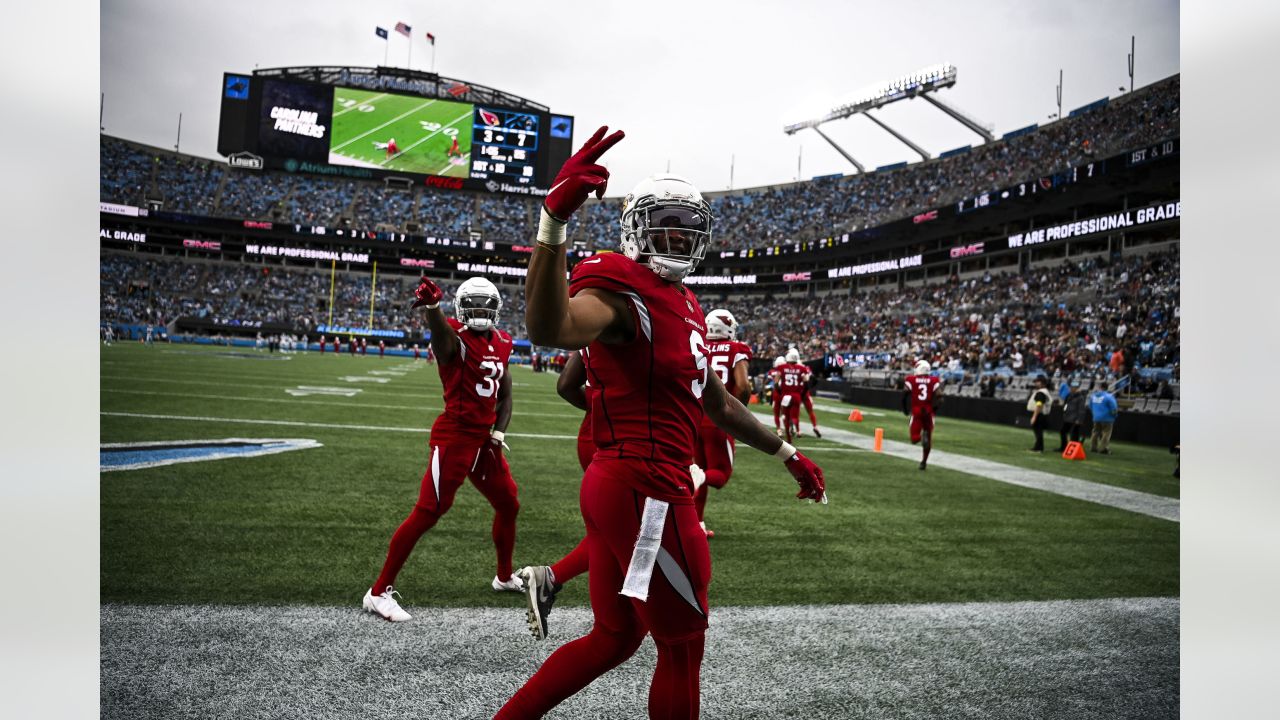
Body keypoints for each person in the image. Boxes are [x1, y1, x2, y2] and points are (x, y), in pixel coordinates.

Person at [494, 126, 826, 720]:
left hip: (619, 482)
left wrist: (789, 456)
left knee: (615, 638)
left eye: (686, 229)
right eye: (664, 225)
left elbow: (719, 404)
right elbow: (552, 330)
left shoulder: (687, 301)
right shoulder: (620, 285)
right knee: (682, 647)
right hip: (647, 489)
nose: (676, 237)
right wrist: (552, 223)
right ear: (635, 231)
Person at [362, 276, 525, 623]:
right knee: (429, 511)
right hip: (454, 436)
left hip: (483, 440)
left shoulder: (505, 341)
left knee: (508, 503)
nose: (480, 310)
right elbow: (443, 342)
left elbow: (506, 393)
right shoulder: (454, 338)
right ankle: (378, 592)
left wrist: (498, 433)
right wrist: (433, 309)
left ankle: (504, 576)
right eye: (474, 305)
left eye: (486, 304)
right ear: (461, 309)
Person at [516, 350, 596, 641]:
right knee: (628, 528)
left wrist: (599, 406)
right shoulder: (638, 317)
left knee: (615, 528)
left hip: (594, 432)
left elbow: (565, 385)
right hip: (625, 437)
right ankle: (551, 577)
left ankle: (615, 609)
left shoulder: (599, 315)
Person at [693, 308, 753, 537]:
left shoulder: (699, 345)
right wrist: (737, 414)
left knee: (699, 471)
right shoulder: (736, 349)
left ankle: (697, 524)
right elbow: (743, 385)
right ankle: (696, 514)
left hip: (696, 418)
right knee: (718, 475)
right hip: (719, 419)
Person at [902, 360, 942, 470]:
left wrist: (905, 408)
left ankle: (920, 438)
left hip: (916, 411)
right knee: (928, 438)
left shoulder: (911, 379)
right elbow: (940, 397)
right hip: (928, 412)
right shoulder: (934, 380)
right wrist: (934, 409)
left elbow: (905, 394)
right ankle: (924, 462)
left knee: (914, 439)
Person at [775, 348, 811, 442]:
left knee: (785, 416)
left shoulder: (781, 367)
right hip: (796, 395)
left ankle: (788, 438)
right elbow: (806, 383)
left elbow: (776, 382)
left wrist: (780, 391)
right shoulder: (802, 368)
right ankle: (797, 430)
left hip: (785, 395)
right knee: (794, 416)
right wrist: (802, 393)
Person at [1058, 379, 1088, 452]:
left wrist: (1079, 420)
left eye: (1073, 387)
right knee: (1063, 432)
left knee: (1074, 435)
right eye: (1071, 387)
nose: (1071, 388)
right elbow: (1066, 405)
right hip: (1068, 417)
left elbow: (1081, 410)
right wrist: (1064, 411)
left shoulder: (1080, 397)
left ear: (1077, 388)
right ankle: (1064, 447)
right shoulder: (1069, 395)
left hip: (1075, 419)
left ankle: (1073, 450)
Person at [1088, 382, 1119, 455]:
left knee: (1095, 432)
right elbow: (1114, 408)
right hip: (1107, 418)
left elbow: (1090, 406)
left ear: (1100, 387)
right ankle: (1103, 449)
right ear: (1107, 387)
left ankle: (1093, 447)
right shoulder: (1109, 397)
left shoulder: (1093, 396)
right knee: (1106, 433)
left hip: (1096, 417)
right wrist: (1115, 416)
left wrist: (1095, 414)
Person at [1026, 376, 1052, 453]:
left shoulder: (1041, 392)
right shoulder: (1044, 391)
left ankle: (1038, 448)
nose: (1035, 383)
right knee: (1038, 431)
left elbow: (1039, 405)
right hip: (1041, 414)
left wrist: (1034, 416)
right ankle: (1038, 447)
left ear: (1041, 383)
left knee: (1038, 431)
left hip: (1039, 414)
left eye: (1037, 381)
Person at [769, 355, 787, 436]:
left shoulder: (773, 371)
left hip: (777, 393)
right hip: (786, 392)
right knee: (786, 412)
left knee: (776, 412)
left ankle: (779, 429)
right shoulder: (788, 370)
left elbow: (775, 383)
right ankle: (789, 428)